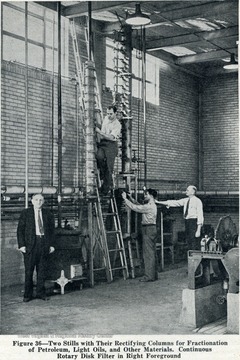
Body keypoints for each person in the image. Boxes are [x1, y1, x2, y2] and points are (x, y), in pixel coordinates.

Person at [17, 194, 55, 302]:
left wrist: (51, 245)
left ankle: (40, 293)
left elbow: (52, 231)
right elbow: (20, 230)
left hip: (44, 244)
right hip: (30, 246)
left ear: (43, 202)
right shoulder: (26, 213)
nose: (38, 202)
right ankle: (27, 295)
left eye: (41, 200)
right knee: (29, 271)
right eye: (36, 200)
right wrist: (22, 245)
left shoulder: (48, 214)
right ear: (32, 201)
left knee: (42, 270)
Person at [122, 188, 158, 282]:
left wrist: (125, 199)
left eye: (146, 195)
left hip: (148, 229)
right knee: (152, 253)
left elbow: (136, 208)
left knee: (148, 254)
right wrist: (131, 198)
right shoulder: (151, 205)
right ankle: (153, 275)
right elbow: (140, 205)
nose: (144, 196)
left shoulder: (149, 206)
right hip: (151, 228)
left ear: (151, 195)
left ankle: (149, 277)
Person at [155, 185, 203, 250]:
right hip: (187, 222)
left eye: (187, 190)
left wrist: (198, 230)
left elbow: (200, 215)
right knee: (189, 242)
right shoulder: (185, 200)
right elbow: (175, 202)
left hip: (194, 223)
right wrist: (159, 202)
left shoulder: (198, 201)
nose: (186, 191)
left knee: (194, 242)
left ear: (193, 192)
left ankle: (195, 258)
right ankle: (190, 258)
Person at [96, 105, 121, 195]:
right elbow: (103, 127)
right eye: (108, 113)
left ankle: (105, 189)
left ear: (115, 113)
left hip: (111, 145)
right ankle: (103, 175)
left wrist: (99, 132)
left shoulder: (117, 125)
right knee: (99, 157)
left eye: (111, 114)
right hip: (103, 143)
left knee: (109, 168)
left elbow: (111, 137)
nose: (109, 115)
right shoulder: (106, 118)